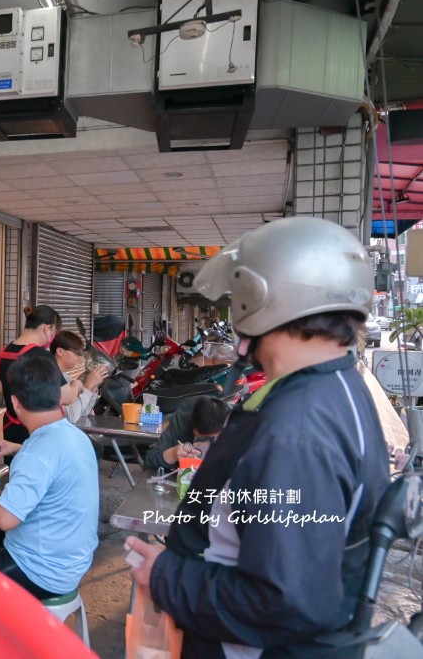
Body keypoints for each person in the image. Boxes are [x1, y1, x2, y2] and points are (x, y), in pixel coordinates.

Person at [126, 217, 390, 658]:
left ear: (265, 300)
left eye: (238, 298)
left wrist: (165, 577)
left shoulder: (298, 432)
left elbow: (284, 600)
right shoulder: (335, 388)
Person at [0, 355, 99, 600]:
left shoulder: (37, 454)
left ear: (15, 404)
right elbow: (49, 461)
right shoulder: (73, 434)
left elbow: (6, 520)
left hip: (42, 572)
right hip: (74, 560)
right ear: (57, 396)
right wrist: (17, 447)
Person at [0, 305, 76, 447]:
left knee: (15, 465)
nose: (52, 338)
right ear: (47, 329)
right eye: (53, 333)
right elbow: (66, 397)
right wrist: (78, 385)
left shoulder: (3, 352)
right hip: (38, 430)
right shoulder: (42, 356)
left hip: (11, 427)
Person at [143, 395, 230, 472]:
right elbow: (150, 460)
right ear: (191, 420)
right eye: (201, 436)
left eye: (211, 438)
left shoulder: (237, 423)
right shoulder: (184, 417)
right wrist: (173, 454)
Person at [50, 330, 110, 422]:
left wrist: (94, 386)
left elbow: (83, 413)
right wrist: (88, 386)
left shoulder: (66, 377)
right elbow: (71, 417)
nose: (81, 359)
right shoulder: (50, 378)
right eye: (77, 353)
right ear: (60, 351)